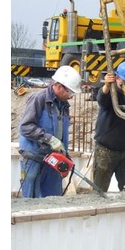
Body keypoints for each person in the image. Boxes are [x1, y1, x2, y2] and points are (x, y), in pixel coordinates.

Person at [18, 66, 82, 198]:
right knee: (31, 199)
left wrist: (64, 153)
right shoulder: (39, 99)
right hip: (34, 158)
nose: (71, 97)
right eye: (69, 92)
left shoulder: (63, 106)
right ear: (59, 86)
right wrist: (49, 139)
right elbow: (25, 127)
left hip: (53, 159)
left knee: (53, 198)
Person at [93, 61, 125, 192]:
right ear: (117, 78)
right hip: (106, 150)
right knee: (99, 191)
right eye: (124, 81)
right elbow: (101, 99)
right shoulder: (113, 93)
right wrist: (106, 85)